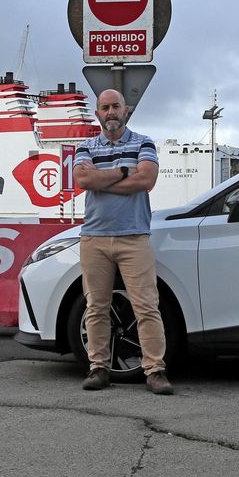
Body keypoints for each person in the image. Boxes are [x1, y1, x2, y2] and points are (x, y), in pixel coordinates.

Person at [73, 89, 172, 395]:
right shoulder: (85, 146)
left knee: (146, 306)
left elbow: (147, 181)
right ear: (98, 113)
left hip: (134, 237)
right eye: (105, 107)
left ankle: (154, 370)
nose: (111, 112)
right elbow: (84, 181)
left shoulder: (143, 142)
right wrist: (125, 171)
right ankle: (99, 368)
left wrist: (105, 180)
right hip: (94, 238)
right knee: (96, 307)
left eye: (116, 106)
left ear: (126, 110)